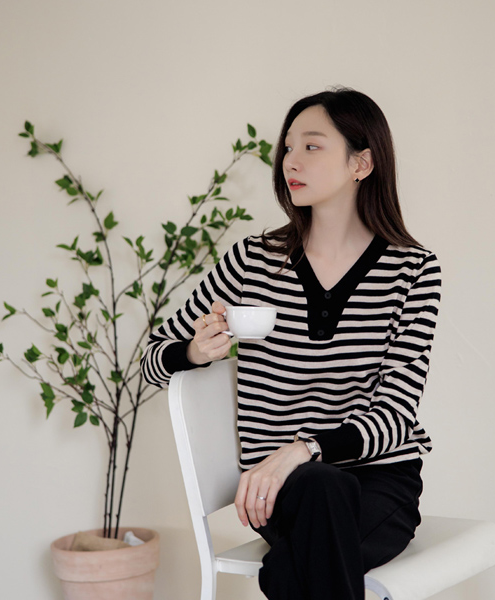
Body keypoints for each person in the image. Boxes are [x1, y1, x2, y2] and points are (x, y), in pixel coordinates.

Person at [141, 87, 441, 600]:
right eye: (287, 148)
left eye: (312, 146)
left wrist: (303, 450)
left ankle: (283, 572)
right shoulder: (252, 261)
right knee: (318, 493)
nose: (290, 161)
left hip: (379, 482)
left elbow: (396, 412)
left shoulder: (412, 270)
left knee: (293, 563)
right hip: (281, 491)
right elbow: (150, 360)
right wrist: (193, 352)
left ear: (362, 163)